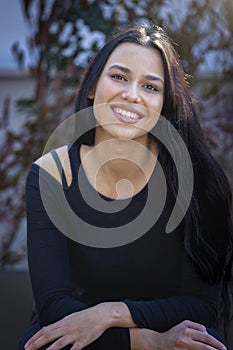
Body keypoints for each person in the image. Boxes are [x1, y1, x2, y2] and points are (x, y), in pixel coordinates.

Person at [18, 21, 233, 350]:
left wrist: (111, 313)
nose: (131, 95)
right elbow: (54, 307)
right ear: (92, 87)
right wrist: (148, 341)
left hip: (176, 337)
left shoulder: (200, 177)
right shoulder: (54, 174)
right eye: (119, 77)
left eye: (150, 87)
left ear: (166, 102)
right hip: (80, 338)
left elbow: (201, 305)